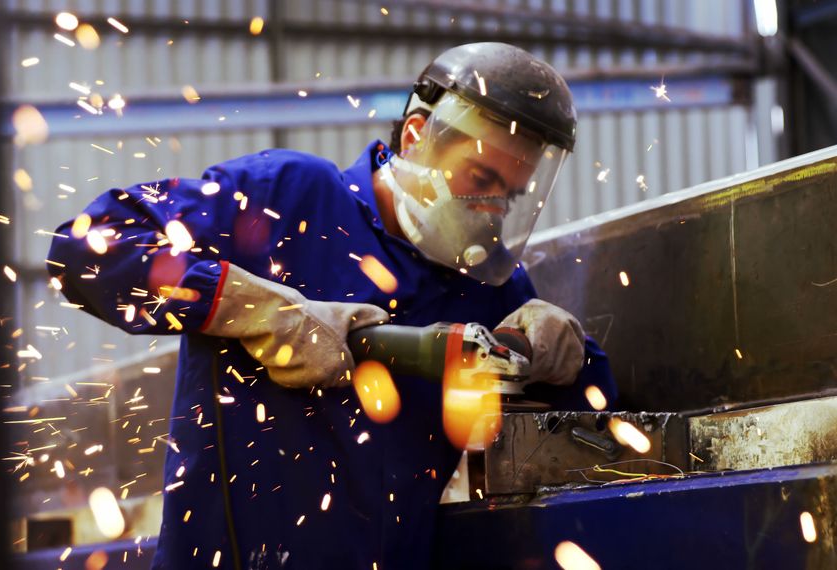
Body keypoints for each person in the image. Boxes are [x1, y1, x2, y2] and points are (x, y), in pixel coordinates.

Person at [48, 42, 616, 570]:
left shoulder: (486, 282)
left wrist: (557, 348)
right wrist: (254, 309)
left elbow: (594, 410)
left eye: (508, 196)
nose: (491, 210)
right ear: (417, 136)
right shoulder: (289, 199)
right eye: (481, 180)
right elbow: (87, 249)